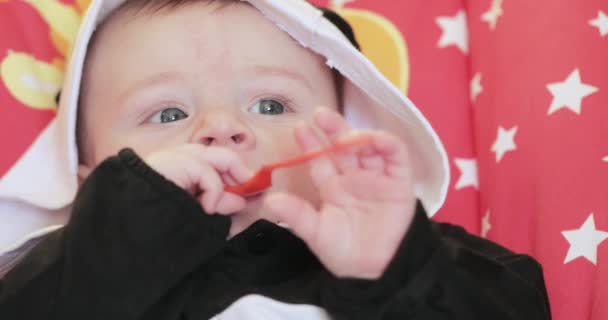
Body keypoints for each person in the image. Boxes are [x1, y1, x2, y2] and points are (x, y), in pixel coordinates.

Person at [0, 0, 551, 319]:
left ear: (338, 140)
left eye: (270, 105)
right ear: (89, 179)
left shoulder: (427, 259)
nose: (221, 128)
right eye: (166, 114)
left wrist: (397, 269)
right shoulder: (56, 284)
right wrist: (118, 237)